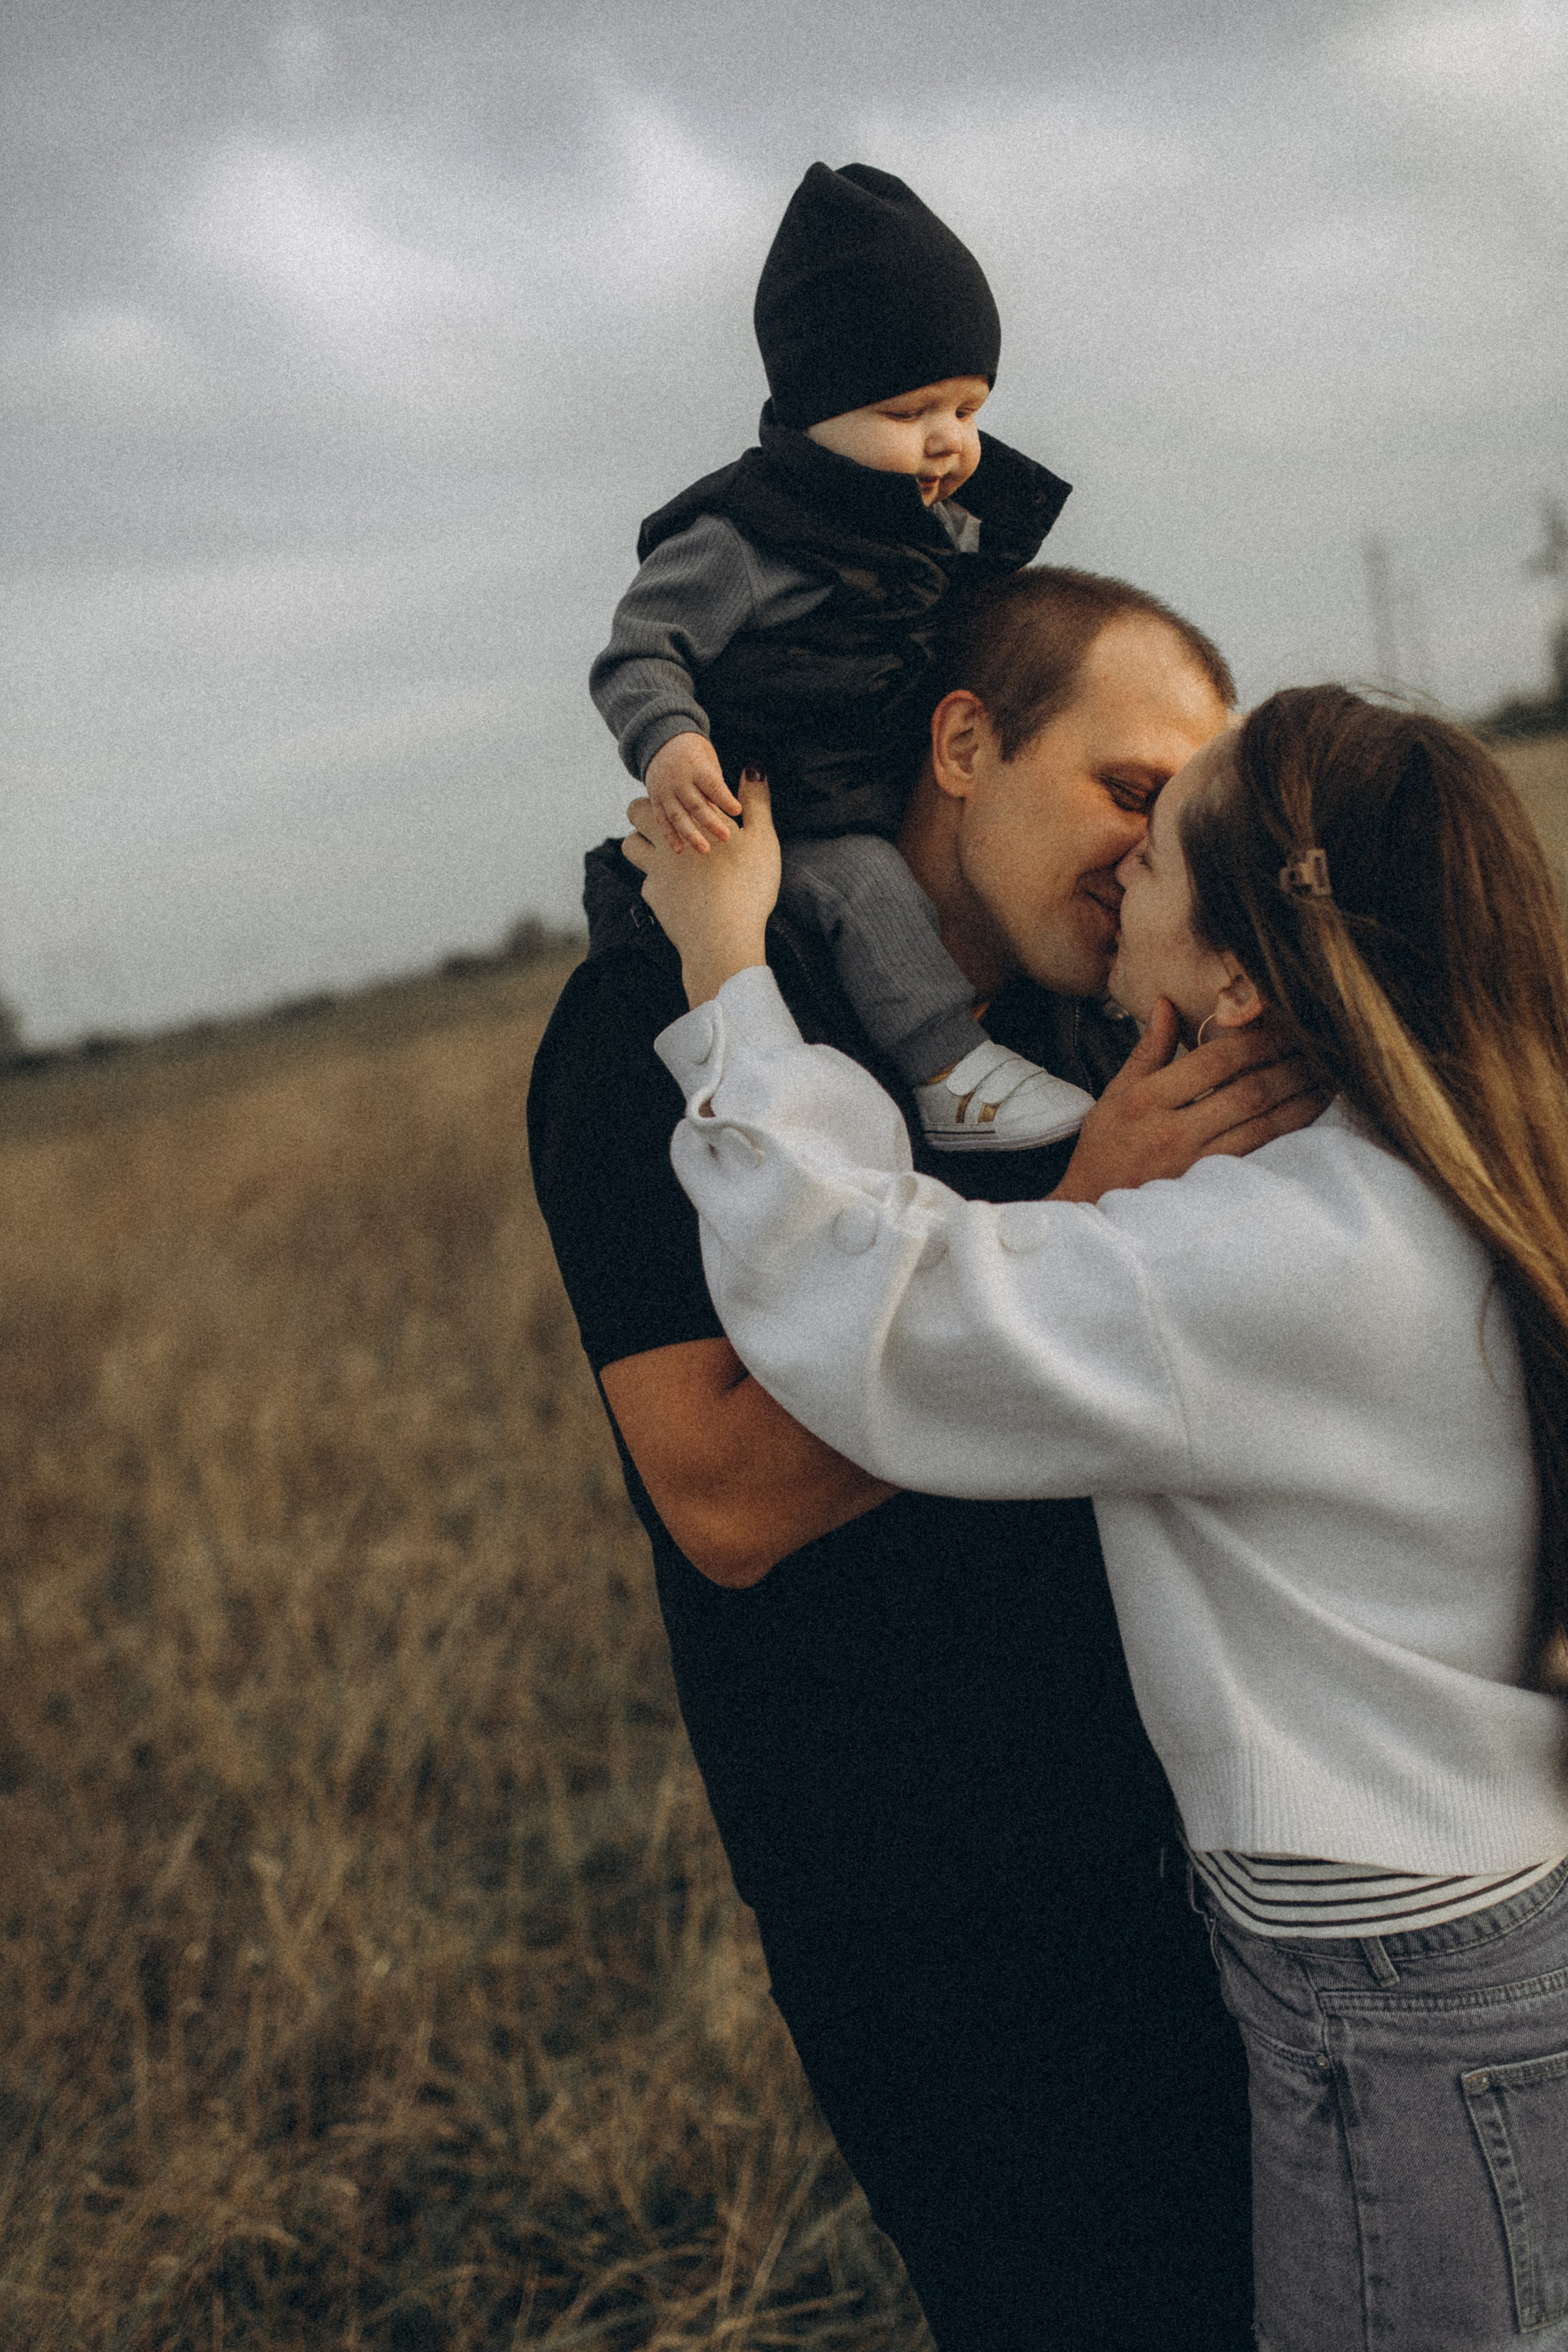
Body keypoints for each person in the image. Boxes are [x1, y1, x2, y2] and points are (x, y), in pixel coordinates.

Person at [631, 682, 1568, 2352]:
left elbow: (882, 1317)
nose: (1119, 865)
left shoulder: (1289, 1253)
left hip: (1396, 2007)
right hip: (1479, 1935)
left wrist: (728, 979)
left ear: (1234, 978)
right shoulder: (1448, 1156)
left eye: (1162, 848)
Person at [530, 565, 1327, 2350]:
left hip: (1214, 1838)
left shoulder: (1104, 1025)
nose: (1151, 851)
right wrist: (1084, 1216)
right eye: (1128, 789)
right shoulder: (653, 1032)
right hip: (935, 1904)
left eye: (1186, 814)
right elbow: (724, 1496)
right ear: (965, 742)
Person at [591, 159, 1097, 1153]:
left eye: (968, 410)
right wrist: (672, 745)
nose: (948, 441)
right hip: (780, 816)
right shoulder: (743, 541)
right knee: (868, 884)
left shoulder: (942, 532)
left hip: (888, 780)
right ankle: (950, 1072)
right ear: (816, 413)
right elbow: (639, 653)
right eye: (911, 415)